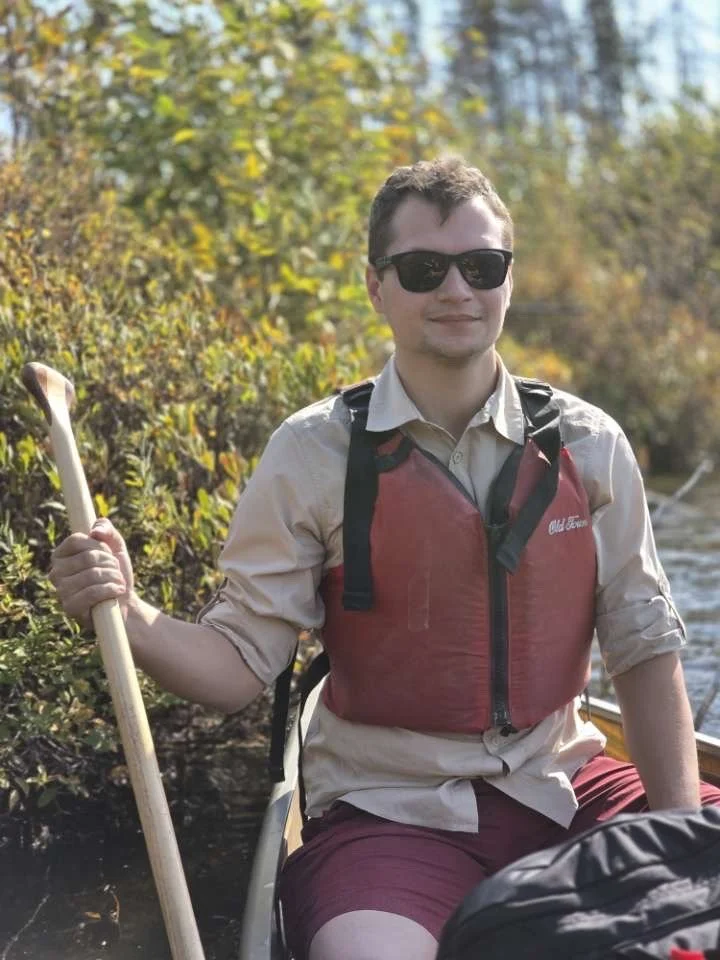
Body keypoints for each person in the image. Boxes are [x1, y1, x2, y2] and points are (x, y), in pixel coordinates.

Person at [49, 157, 720, 960]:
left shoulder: (589, 443)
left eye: (482, 266)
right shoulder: (312, 453)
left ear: (507, 279)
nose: (456, 291)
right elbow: (234, 667)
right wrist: (127, 611)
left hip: (570, 789)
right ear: (377, 287)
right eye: (423, 269)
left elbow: (644, 650)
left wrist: (677, 838)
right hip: (389, 817)